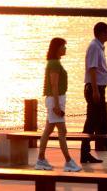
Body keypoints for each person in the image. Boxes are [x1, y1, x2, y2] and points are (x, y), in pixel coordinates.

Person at [34, 37, 81, 172]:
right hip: (56, 100)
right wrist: (56, 106)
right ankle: (68, 161)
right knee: (62, 131)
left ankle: (41, 160)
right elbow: (54, 85)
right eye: (63, 46)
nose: (65, 48)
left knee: (48, 130)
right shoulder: (54, 64)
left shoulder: (54, 63)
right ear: (57, 48)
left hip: (56, 99)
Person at [80, 22, 107, 163]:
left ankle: (88, 154)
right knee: (96, 122)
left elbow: (102, 70)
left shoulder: (99, 47)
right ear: (101, 33)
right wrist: (95, 91)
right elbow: (93, 69)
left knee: (97, 122)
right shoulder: (94, 47)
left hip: (100, 88)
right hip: (94, 89)